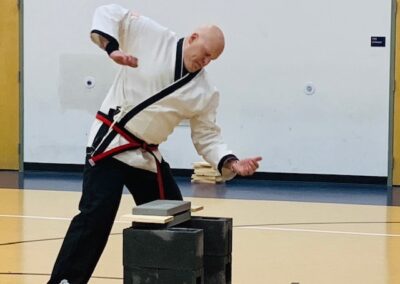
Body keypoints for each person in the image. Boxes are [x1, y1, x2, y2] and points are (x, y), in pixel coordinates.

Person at [48, 4, 262, 284]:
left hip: (146, 157)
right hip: (111, 145)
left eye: (213, 59)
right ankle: (65, 281)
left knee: (175, 219)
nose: (206, 61)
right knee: (96, 216)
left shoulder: (205, 92)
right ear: (194, 37)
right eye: (206, 54)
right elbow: (109, 11)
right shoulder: (152, 36)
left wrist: (230, 162)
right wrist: (111, 47)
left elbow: (207, 136)